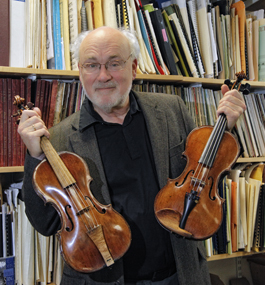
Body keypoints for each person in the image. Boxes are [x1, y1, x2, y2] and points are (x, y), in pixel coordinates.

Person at [18, 26, 246, 285]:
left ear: (134, 67)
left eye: (114, 63)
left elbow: (205, 175)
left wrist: (224, 127)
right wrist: (35, 155)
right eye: (91, 65)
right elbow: (45, 224)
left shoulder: (172, 110)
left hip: (180, 275)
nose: (103, 76)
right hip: (104, 279)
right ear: (80, 71)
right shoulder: (58, 139)